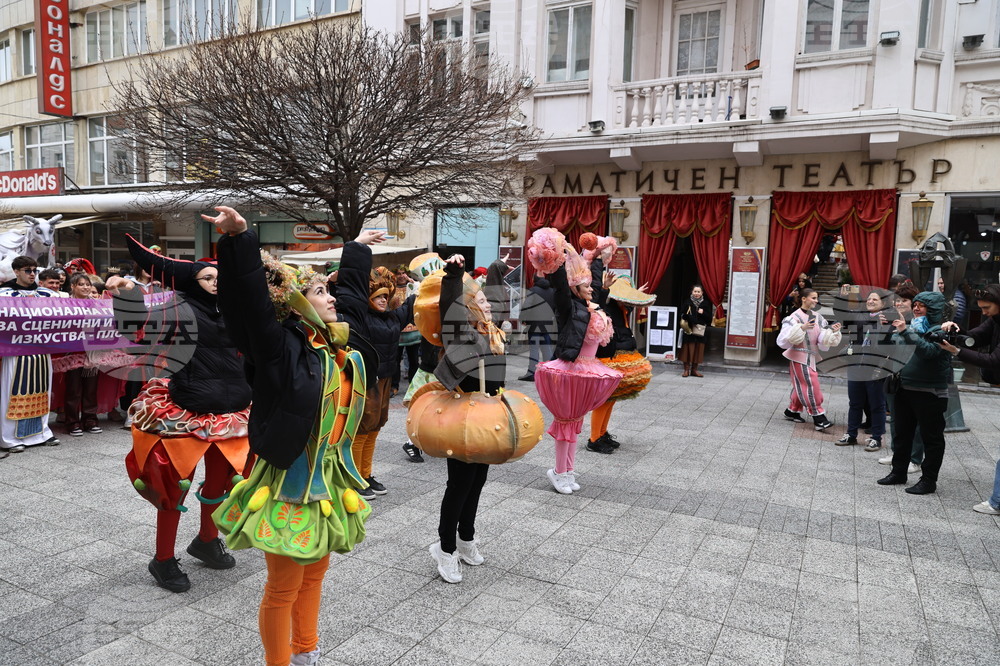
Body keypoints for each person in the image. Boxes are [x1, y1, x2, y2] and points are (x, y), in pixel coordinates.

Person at [206, 207, 373, 666]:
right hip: (287, 487)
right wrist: (240, 239)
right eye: (320, 291)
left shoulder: (338, 347)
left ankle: (306, 651)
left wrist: (356, 244)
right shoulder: (280, 348)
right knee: (283, 587)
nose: (331, 298)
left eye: (329, 289)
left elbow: (357, 296)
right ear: (298, 303)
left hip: (327, 484)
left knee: (316, 574)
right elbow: (251, 307)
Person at [110, 237, 253, 593]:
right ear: (193, 282)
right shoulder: (178, 309)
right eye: (208, 277)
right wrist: (127, 296)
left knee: (221, 485)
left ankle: (207, 540)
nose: (217, 281)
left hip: (233, 411)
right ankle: (162, 560)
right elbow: (136, 331)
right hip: (187, 412)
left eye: (220, 276)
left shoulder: (236, 310)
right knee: (173, 490)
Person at [425, 252, 507, 583]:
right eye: (482, 302)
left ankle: (466, 538)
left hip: (487, 418)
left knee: (478, 480)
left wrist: (500, 273)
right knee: (459, 483)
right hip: (461, 417)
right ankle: (445, 549)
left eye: (488, 302)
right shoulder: (462, 335)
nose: (488, 307)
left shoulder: (494, 333)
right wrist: (454, 278)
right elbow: (450, 310)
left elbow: (500, 304)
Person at [527, 229, 622, 494]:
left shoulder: (592, 306)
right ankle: (558, 471)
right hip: (569, 368)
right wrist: (556, 259)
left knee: (575, 423)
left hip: (587, 370)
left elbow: (595, 305)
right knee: (566, 423)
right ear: (575, 290)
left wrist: (600, 266)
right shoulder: (569, 307)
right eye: (587, 286)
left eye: (592, 285)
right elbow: (561, 288)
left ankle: (568, 471)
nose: (591, 288)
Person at [337, 239, 415, 500]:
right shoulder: (359, 317)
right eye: (377, 297)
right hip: (365, 379)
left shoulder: (392, 317)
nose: (382, 301)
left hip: (385, 380)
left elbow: (411, 307)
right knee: (361, 428)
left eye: (385, 297)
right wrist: (358, 247)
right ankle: (354, 477)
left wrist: (433, 284)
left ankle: (366, 473)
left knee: (376, 427)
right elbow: (351, 291)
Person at [877, 291, 952, 495]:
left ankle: (928, 480)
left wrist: (905, 332)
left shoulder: (943, 329)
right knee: (902, 434)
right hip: (904, 388)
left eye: (922, 306)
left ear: (934, 310)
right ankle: (898, 472)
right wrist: (889, 330)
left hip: (930, 392)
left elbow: (929, 352)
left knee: (931, 438)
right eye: (916, 305)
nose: (916, 308)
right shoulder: (910, 327)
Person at [937, 285, 1000, 513]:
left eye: (987, 308)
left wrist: (956, 351)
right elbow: (974, 336)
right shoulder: (995, 320)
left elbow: (993, 360)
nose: (983, 312)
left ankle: (997, 502)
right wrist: (956, 331)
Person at [0, 256, 61, 455]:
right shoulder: (4, 293)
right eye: (27, 270)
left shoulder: (47, 294)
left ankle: (42, 432)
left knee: (43, 389)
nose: (32, 274)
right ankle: (9, 438)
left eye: (34, 270)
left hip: (41, 350)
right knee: (12, 392)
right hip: (15, 350)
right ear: (16, 271)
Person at [588, 272, 655, 453]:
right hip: (609, 356)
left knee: (612, 399)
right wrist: (604, 288)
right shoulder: (607, 302)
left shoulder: (620, 305)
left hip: (619, 355)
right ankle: (594, 439)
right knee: (605, 399)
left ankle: (602, 433)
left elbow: (630, 306)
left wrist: (635, 293)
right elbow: (599, 304)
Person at [777, 288, 842, 431]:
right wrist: (802, 328)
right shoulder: (793, 318)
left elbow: (822, 338)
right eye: (813, 298)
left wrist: (833, 331)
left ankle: (792, 410)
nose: (816, 301)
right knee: (811, 384)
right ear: (803, 299)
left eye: (816, 298)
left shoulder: (818, 317)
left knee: (802, 384)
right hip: (798, 356)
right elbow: (783, 341)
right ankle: (819, 417)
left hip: (810, 356)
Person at [878, 284, 924, 472]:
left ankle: (915, 459)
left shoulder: (920, 323)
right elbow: (884, 347)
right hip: (894, 373)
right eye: (898, 300)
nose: (900, 303)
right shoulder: (893, 320)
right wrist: (884, 329)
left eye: (904, 300)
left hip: (914, 375)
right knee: (896, 417)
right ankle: (898, 454)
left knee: (915, 420)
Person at [836, 289, 890, 451]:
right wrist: (844, 296)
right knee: (855, 403)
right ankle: (851, 435)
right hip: (856, 365)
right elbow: (843, 314)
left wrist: (882, 325)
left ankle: (876, 438)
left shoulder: (889, 319)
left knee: (877, 404)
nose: (871, 301)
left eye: (875, 299)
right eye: (869, 299)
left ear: (883, 303)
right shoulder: (860, 315)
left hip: (875, 366)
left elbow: (887, 343)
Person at [519, 273, 556, 381]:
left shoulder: (534, 290)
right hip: (548, 323)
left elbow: (527, 306)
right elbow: (554, 306)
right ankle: (548, 372)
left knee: (534, 349)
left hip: (534, 324)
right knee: (546, 348)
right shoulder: (551, 291)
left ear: (534, 279)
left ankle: (532, 373)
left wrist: (523, 319)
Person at [679, 284, 713, 377]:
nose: (696, 293)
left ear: (702, 293)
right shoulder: (687, 302)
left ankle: (694, 370)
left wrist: (702, 313)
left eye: (698, 292)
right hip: (689, 329)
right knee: (687, 350)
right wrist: (689, 316)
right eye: (695, 291)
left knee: (698, 350)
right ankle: (686, 370)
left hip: (699, 330)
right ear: (692, 292)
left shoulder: (705, 303)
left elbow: (709, 319)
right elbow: (682, 314)